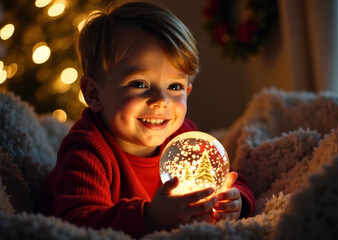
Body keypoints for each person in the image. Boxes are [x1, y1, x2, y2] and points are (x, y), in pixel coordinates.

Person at [38, 1, 255, 238]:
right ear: (94, 94)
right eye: (139, 84)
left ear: (187, 92)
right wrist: (149, 218)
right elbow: (77, 223)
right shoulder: (86, 151)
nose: (160, 101)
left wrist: (236, 201)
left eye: (174, 86)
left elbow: (232, 178)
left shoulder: (182, 137)